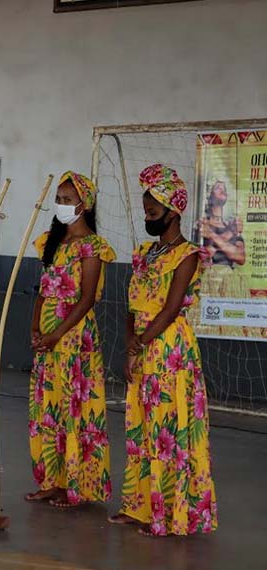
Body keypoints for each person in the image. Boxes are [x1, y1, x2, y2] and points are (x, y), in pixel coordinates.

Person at [109, 164, 217, 537]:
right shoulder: (143, 253)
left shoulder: (188, 255)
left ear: (173, 211)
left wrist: (139, 344)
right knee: (141, 430)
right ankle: (138, 507)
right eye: (145, 212)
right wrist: (130, 344)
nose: (148, 218)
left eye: (153, 212)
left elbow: (171, 309)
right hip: (142, 348)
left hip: (170, 351)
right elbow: (132, 305)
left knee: (170, 432)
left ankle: (172, 513)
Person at [25, 171, 114, 508]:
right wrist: (36, 328)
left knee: (74, 411)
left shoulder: (92, 247)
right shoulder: (52, 242)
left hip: (74, 340)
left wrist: (56, 335)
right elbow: (42, 291)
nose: (61, 205)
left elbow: (87, 298)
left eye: (67, 200)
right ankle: (51, 480)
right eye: (58, 200)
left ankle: (76, 486)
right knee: (48, 411)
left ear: (84, 205)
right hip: (47, 340)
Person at [197, 180, 245, 268]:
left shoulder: (231, 226)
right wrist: (230, 235)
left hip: (227, 277)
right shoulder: (203, 222)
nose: (222, 190)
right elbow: (205, 253)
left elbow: (240, 257)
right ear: (210, 195)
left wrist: (212, 236)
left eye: (224, 189)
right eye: (217, 188)